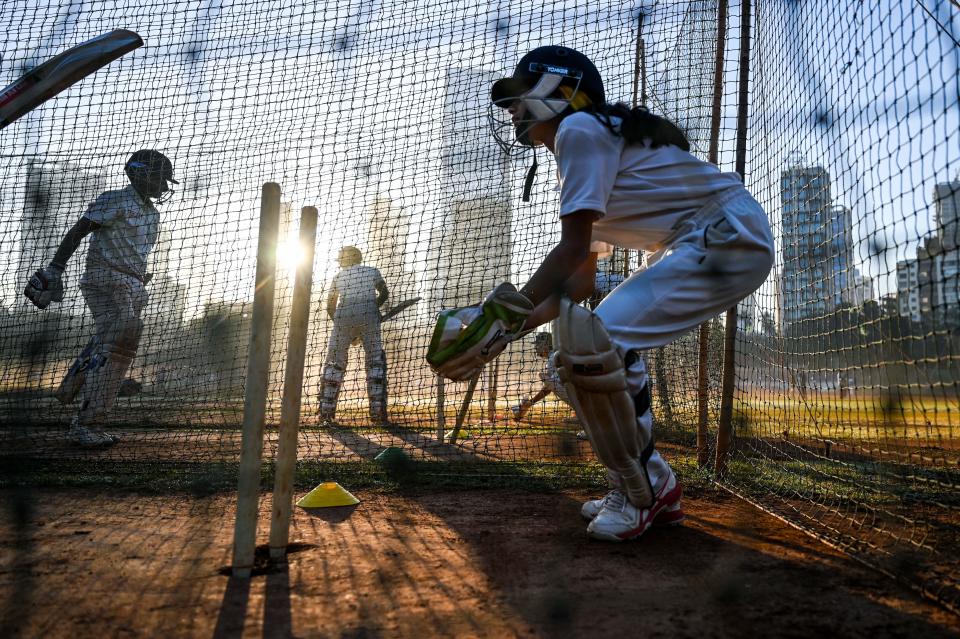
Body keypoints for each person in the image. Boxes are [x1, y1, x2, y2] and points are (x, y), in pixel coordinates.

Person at [427, 45, 773, 541]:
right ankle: (651, 488)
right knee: (569, 364)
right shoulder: (588, 143)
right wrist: (500, 334)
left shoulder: (579, 130)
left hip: (722, 235)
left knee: (596, 347)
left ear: (557, 92)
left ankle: (643, 495)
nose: (511, 110)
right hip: (706, 240)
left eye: (519, 97)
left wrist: (495, 317)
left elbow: (568, 253)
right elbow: (580, 282)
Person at [24, 149, 177, 448]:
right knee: (123, 335)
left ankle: (77, 382)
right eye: (160, 178)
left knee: (118, 340)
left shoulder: (152, 214)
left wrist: (139, 276)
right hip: (104, 277)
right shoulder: (116, 199)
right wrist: (56, 268)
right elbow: (78, 231)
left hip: (131, 283)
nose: (164, 186)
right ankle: (86, 424)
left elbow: (136, 251)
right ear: (140, 173)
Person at [319, 246, 391, 426]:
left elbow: (330, 306)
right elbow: (384, 293)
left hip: (343, 314)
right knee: (375, 360)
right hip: (369, 311)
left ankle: (326, 413)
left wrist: (341, 325)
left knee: (335, 361)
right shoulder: (373, 271)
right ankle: (377, 414)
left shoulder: (338, 277)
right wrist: (374, 310)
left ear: (345, 260)